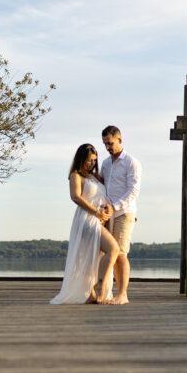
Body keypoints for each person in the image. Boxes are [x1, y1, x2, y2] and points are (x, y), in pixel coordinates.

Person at [49, 144, 121, 305]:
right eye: (88, 160)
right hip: (87, 219)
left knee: (94, 257)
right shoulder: (76, 175)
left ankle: (91, 293)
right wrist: (96, 211)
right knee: (113, 248)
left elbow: (104, 196)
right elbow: (75, 197)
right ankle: (101, 286)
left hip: (101, 219)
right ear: (81, 159)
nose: (91, 164)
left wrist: (107, 209)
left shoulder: (95, 177)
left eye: (94, 161)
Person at [98, 125, 141, 305]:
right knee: (109, 252)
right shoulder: (106, 164)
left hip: (124, 212)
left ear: (120, 139)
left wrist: (114, 207)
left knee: (121, 253)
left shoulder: (132, 162)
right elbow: (102, 186)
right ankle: (105, 291)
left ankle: (122, 294)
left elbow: (133, 191)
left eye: (111, 143)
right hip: (107, 214)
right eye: (105, 144)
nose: (108, 147)